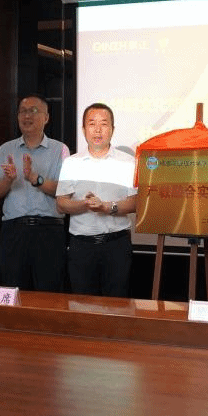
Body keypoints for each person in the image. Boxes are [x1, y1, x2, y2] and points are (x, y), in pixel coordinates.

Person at [0, 94, 70, 291]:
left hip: (49, 230)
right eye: (22, 112)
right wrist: (8, 179)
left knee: (49, 293)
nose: (27, 116)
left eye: (33, 111)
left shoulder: (60, 149)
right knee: (14, 290)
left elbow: (65, 191)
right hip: (14, 231)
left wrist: (35, 179)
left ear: (46, 117)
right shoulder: (6, 149)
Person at [56, 103, 137, 297]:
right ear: (84, 129)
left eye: (104, 124)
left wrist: (106, 207)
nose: (98, 130)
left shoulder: (128, 162)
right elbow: (61, 204)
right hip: (81, 247)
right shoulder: (71, 163)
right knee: (82, 305)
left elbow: (135, 203)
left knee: (117, 305)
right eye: (92, 124)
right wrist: (83, 205)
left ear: (113, 129)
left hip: (116, 245)